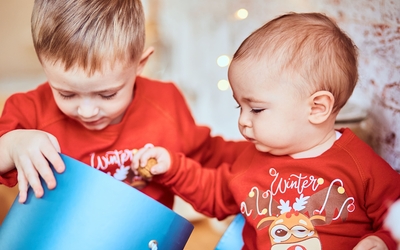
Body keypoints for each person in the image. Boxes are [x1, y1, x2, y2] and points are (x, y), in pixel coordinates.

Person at [132, 12, 400, 249]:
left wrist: (384, 240)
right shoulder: (251, 161)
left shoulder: (359, 165)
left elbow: (395, 210)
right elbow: (214, 194)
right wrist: (174, 168)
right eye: (240, 107)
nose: (244, 121)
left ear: (317, 108)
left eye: (256, 109)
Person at [0, 0, 249, 209]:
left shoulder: (165, 102)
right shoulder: (29, 112)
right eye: (66, 94)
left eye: (107, 95)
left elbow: (209, 155)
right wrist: (12, 146)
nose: (87, 111)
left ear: (140, 65)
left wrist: (271, 154)